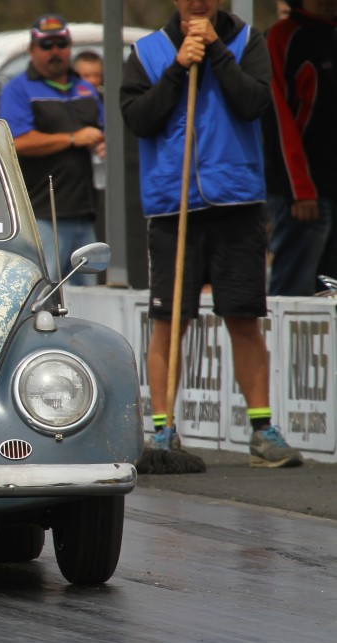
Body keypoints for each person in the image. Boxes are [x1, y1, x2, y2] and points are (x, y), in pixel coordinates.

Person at [121, 0, 302, 467]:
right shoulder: (147, 51)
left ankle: (263, 430)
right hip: (173, 204)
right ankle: (162, 431)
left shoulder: (248, 41)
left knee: (243, 317)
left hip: (236, 201)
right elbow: (138, 119)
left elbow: (254, 104)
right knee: (169, 320)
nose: (197, 1)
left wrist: (217, 52)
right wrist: (178, 69)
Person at [0, 14, 105, 285]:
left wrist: (103, 144)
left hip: (85, 213)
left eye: (61, 44)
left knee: (89, 301)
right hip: (43, 216)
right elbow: (17, 142)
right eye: (46, 46)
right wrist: (71, 138)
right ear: (32, 50)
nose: (55, 51)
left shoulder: (84, 88)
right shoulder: (18, 89)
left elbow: (102, 130)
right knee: (46, 297)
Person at [263, 0, 337, 296]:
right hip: (303, 193)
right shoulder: (282, 36)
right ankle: (280, 344)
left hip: (328, 186)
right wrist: (299, 189)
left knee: (328, 291)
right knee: (294, 292)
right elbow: (277, 119)